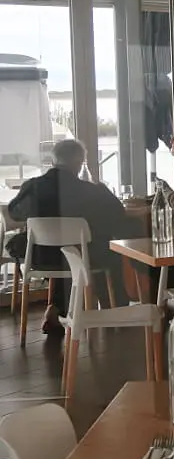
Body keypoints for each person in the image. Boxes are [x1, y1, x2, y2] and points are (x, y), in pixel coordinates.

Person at [8, 140, 139, 335]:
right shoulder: (90, 191)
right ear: (79, 163)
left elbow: (14, 212)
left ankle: (59, 307)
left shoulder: (32, 187)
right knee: (109, 250)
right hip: (80, 257)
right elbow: (117, 213)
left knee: (68, 251)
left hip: (40, 257)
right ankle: (115, 309)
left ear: (53, 161)